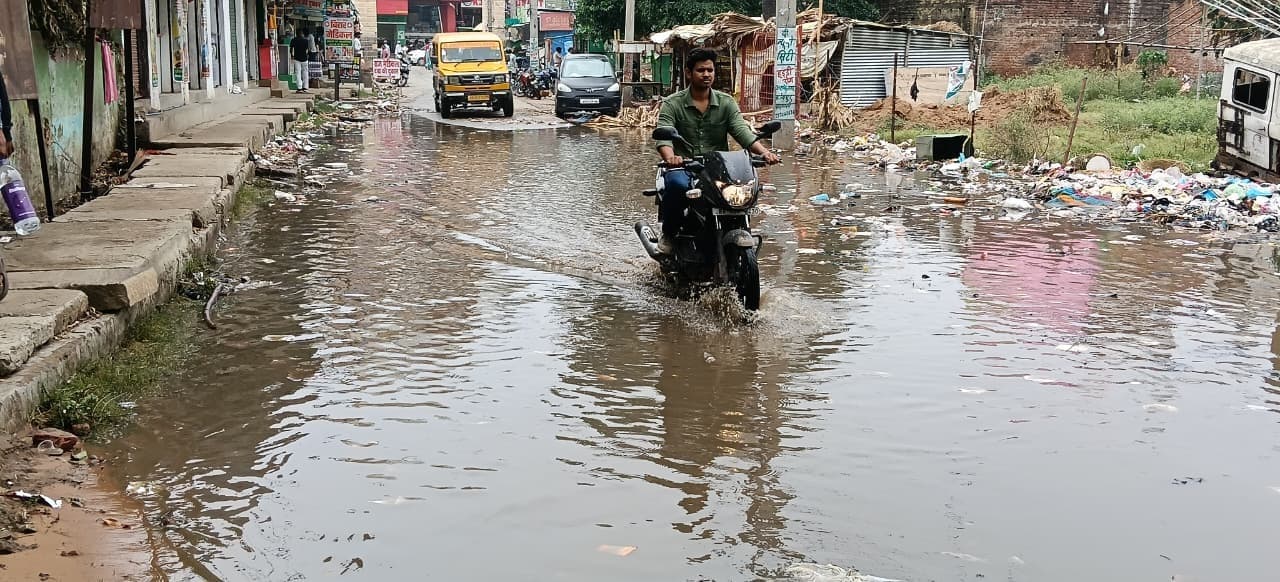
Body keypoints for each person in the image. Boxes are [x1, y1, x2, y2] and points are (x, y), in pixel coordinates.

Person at [653, 48, 780, 255]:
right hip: (685, 167)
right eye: (701, 70)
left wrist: (764, 153)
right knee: (676, 186)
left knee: (744, 190)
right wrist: (672, 158)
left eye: (710, 70)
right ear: (688, 73)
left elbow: (742, 131)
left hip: (718, 167)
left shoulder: (726, 102)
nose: (706, 74)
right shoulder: (672, 103)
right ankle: (669, 233)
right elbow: (664, 137)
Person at [290, 28, 311, 93]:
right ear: (302, 34)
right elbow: (308, 50)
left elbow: (291, 49)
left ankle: (299, 88)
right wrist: (307, 55)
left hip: (297, 58)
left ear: (296, 34)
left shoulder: (294, 40)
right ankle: (305, 87)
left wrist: (292, 55)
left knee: (298, 73)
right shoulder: (306, 40)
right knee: (305, 72)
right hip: (304, 58)